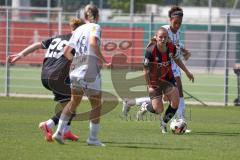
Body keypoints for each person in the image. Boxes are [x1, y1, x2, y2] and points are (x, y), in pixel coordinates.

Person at [8, 17, 85, 142]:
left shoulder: (58, 37)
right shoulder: (77, 41)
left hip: (45, 76)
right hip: (57, 77)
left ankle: (66, 131)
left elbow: (38, 44)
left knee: (68, 104)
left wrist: (21, 54)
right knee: (72, 106)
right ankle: (48, 125)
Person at [122, 6, 192, 132]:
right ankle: (141, 104)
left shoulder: (174, 38)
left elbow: (175, 50)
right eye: (175, 23)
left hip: (169, 71)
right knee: (159, 106)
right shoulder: (162, 32)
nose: (177, 25)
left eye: (179, 23)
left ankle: (172, 122)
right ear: (170, 20)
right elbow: (149, 55)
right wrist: (149, 83)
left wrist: (186, 66)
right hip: (156, 76)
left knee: (174, 97)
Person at [52, 4, 110, 146]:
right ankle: (93, 139)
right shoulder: (96, 27)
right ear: (97, 16)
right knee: (96, 105)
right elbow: (93, 44)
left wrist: (78, 61)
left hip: (75, 70)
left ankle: (59, 132)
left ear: (84, 17)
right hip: (89, 70)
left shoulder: (78, 29)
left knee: (74, 102)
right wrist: (104, 61)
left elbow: (66, 51)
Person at [142, 27, 194, 133]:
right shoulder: (150, 51)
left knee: (175, 102)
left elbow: (177, 59)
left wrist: (187, 72)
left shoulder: (171, 47)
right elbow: (145, 70)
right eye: (160, 37)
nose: (162, 39)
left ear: (167, 38)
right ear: (156, 38)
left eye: (165, 37)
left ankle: (164, 124)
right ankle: (146, 105)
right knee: (158, 109)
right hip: (154, 81)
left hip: (168, 78)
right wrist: (149, 86)